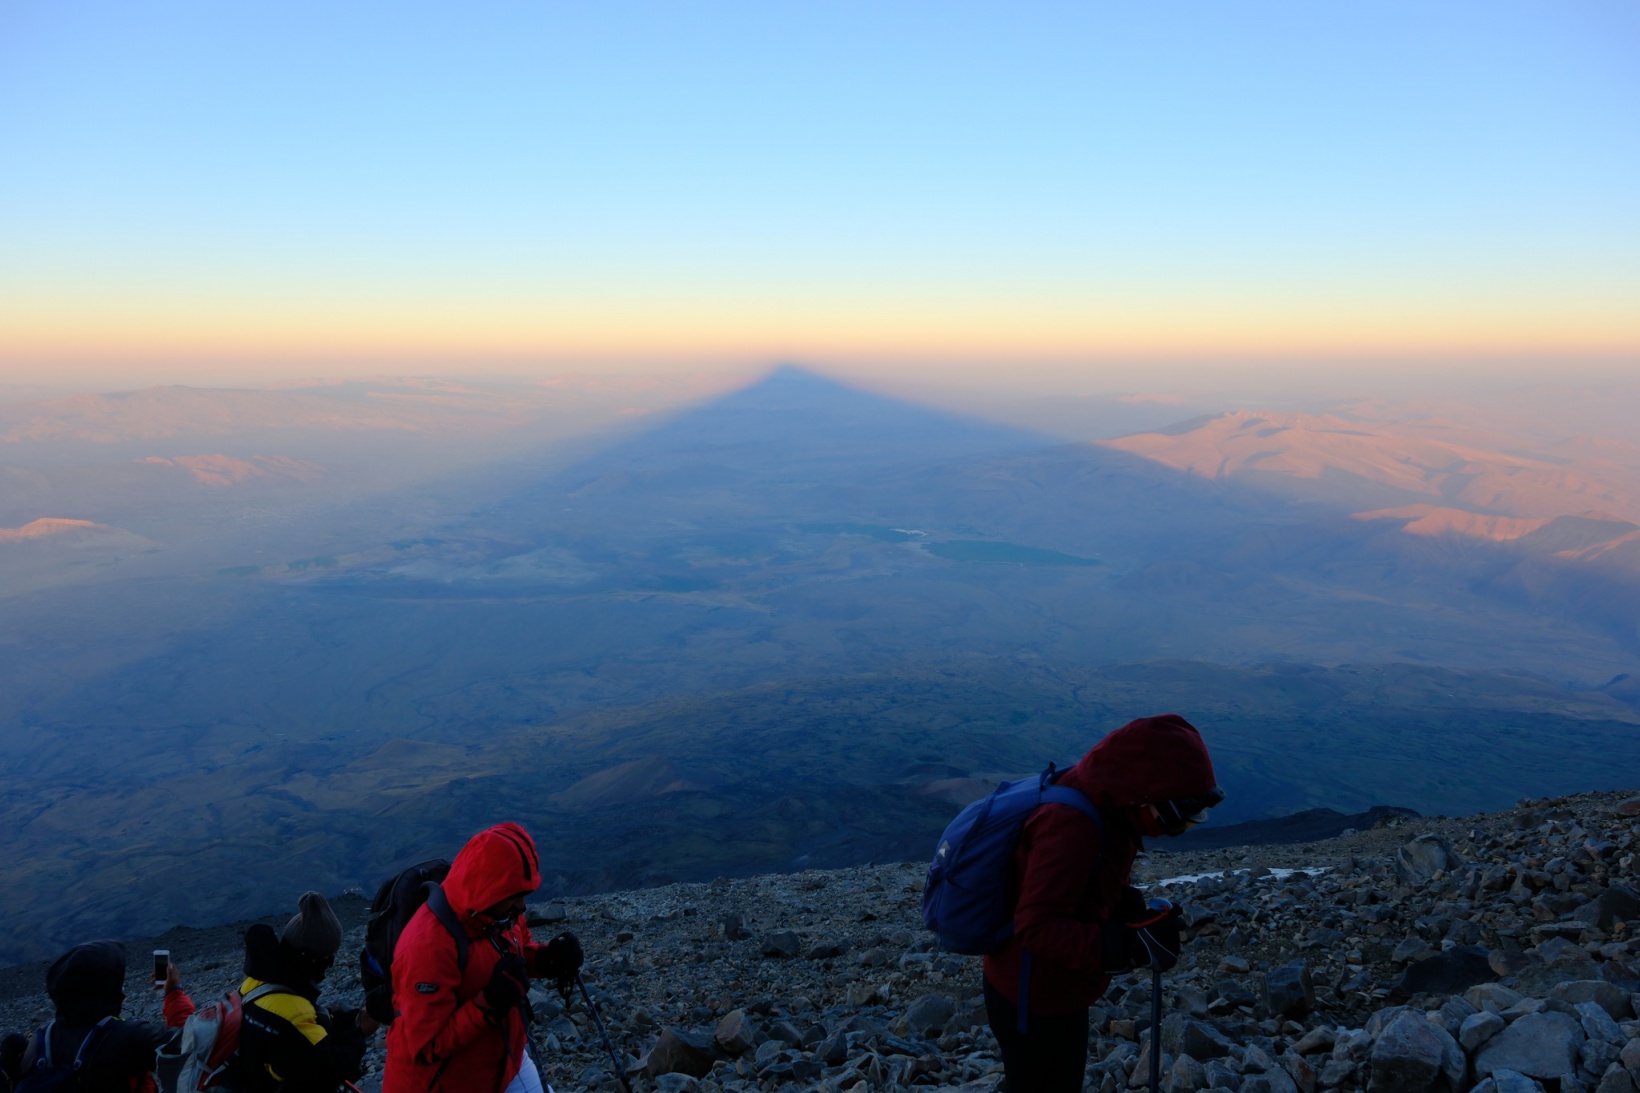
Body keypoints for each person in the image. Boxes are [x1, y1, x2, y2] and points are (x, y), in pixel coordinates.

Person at [983, 714, 1224, 1093]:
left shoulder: (1112, 806)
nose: (1178, 830)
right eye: (1178, 816)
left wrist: (1131, 913)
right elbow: (1036, 925)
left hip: (1057, 988)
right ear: (1144, 792)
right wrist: (1126, 946)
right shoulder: (1072, 824)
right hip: (1031, 1000)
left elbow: (1081, 887)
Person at [384, 823, 584, 1093]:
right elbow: (426, 1047)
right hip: (444, 1083)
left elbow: (516, 951)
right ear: (489, 890)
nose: (522, 906)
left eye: (524, 895)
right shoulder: (427, 946)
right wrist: (489, 1003)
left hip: (503, 1063)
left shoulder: (499, 912)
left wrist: (548, 959)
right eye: (516, 897)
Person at [236, 892, 372, 1093]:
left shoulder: (256, 983)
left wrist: (347, 1020)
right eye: (328, 960)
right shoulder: (294, 1013)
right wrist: (360, 1033)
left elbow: (300, 1031)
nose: (327, 968)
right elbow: (331, 1068)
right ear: (311, 960)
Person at [17, 940, 194, 1093]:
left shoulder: (39, 1042)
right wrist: (174, 993)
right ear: (105, 991)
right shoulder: (128, 1037)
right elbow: (191, 1043)